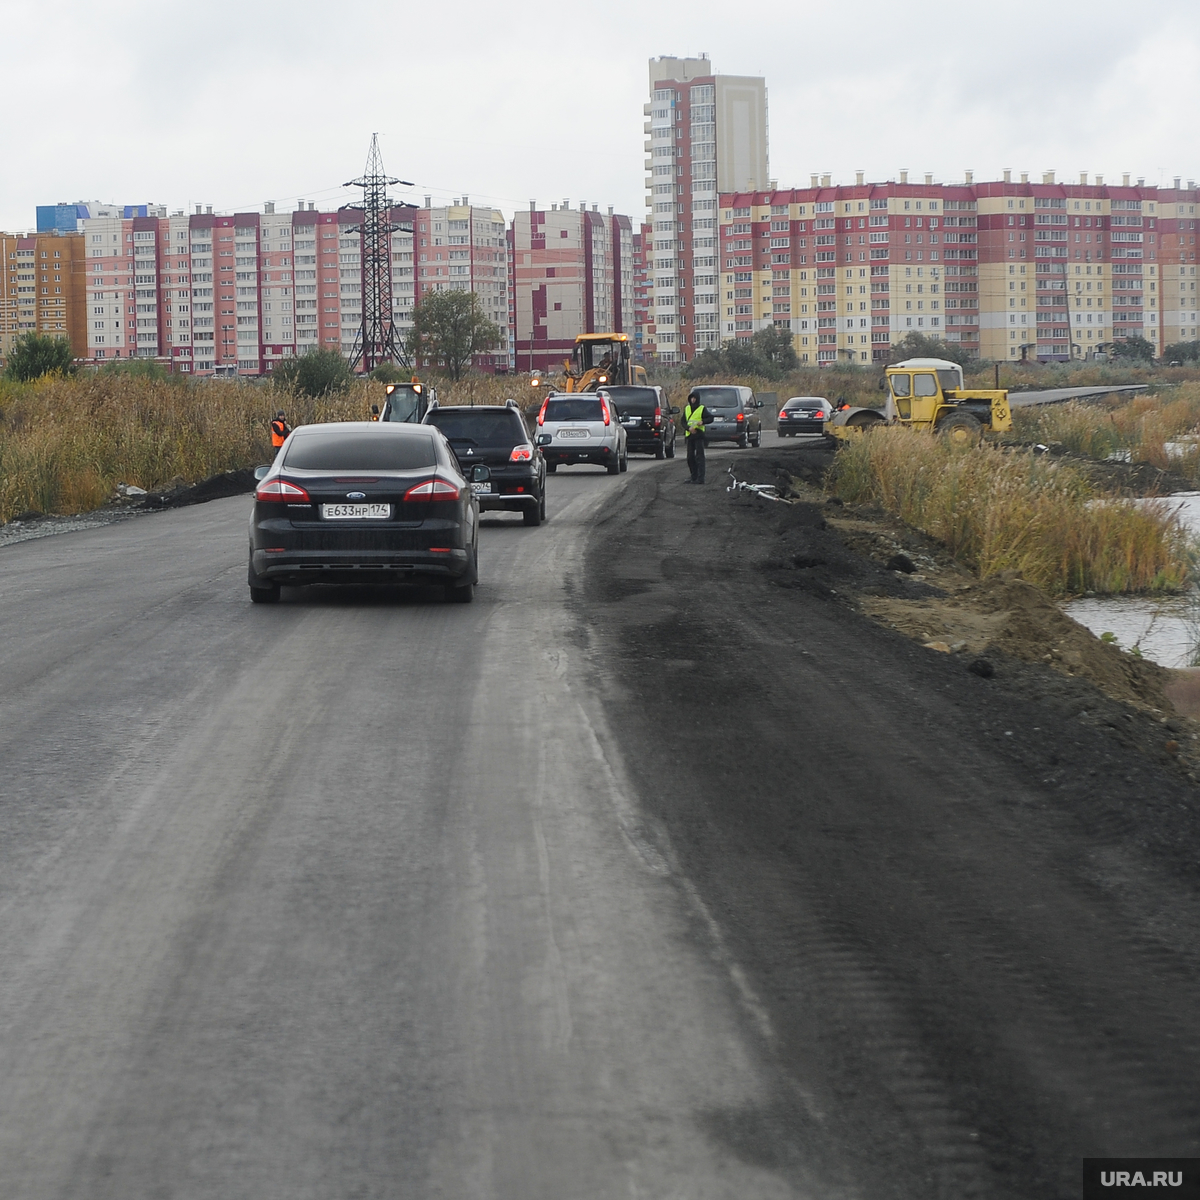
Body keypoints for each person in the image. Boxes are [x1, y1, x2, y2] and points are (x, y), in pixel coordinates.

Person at [682, 390, 714, 484]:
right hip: (690, 435)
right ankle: (693, 476)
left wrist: (702, 422)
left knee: (699, 457)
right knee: (690, 457)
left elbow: (710, 418)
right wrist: (688, 428)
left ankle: (700, 478)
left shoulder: (702, 408)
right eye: (691, 398)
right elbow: (683, 421)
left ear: (698, 399)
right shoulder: (687, 409)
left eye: (694, 398)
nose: (693, 400)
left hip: (699, 435)